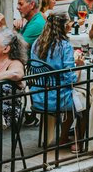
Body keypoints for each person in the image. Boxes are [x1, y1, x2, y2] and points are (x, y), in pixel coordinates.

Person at [29, 12, 79, 148]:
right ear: (63, 26)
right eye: (68, 22)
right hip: (56, 97)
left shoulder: (36, 43)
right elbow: (70, 78)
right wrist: (79, 67)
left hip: (38, 96)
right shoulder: (65, 46)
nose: (70, 25)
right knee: (84, 102)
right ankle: (67, 138)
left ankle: (51, 137)